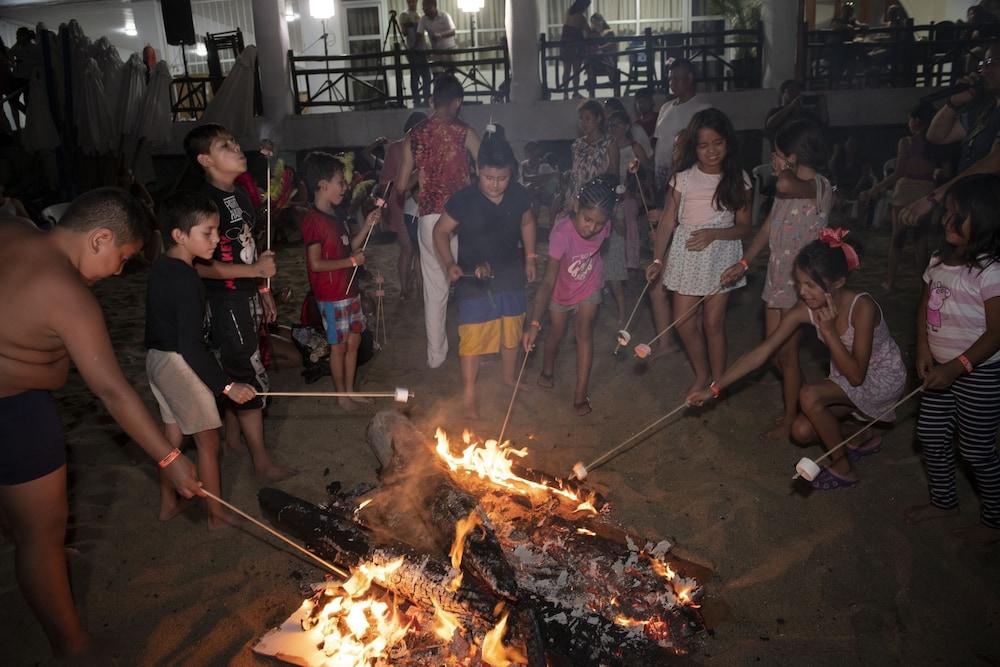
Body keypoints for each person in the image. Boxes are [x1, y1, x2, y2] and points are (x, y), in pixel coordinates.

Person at [0, 188, 201, 656]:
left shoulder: (11, 228)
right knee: (42, 532)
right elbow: (113, 392)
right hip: (14, 412)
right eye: (123, 257)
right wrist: (169, 457)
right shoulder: (69, 296)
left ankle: (41, 560)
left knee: (19, 514)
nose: (119, 271)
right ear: (99, 238)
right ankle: (71, 643)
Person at [689, 232, 906, 490]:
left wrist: (827, 331)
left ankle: (844, 466)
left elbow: (858, 376)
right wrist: (714, 387)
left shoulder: (862, 307)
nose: (803, 292)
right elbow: (762, 352)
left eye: (811, 285)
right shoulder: (805, 310)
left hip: (881, 378)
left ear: (837, 282)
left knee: (809, 396)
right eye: (799, 283)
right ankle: (862, 436)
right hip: (846, 378)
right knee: (801, 432)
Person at [183, 124, 295, 481]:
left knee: (240, 364)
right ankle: (261, 462)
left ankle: (233, 440)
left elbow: (250, 249)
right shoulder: (204, 203)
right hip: (225, 300)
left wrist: (263, 287)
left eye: (234, 142)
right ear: (205, 160)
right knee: (247, 374)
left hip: (245, 294)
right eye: (225, 145)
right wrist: (252, 274)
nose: (236, 148)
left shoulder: (243, 197)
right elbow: (199, 266)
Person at [145, 192, 257, 528]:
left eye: (217, 231)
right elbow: (191, 347)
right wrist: (226, 386)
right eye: (207, 232)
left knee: (172, 439)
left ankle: (167, 506)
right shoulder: (185, 278)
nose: (216, 239)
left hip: (156, 359)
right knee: (208, 440)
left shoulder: (163, 267)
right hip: (178, 362)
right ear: (179, 235)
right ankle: (216, 516)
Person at [722, 120, 832, 440]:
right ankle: (809, 400)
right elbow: (768, 227)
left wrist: (785, 168)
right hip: (777, 279)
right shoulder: (788, 188)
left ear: (795, 157)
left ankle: (792, 416)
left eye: (778, 154)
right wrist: (745, 261)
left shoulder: (820, 187)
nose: (773, 159)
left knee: (787, 353)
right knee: (779, 353)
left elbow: (784, 185)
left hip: (802, 286)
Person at [906, 174, 1000, 543]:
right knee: (930, 435)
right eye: (946, 213)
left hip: (979, 374)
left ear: (986, 218)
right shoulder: (938, 260)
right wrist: (924, 349)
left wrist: (958, 366)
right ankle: (944, 501)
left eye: (957, 215)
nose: (947, 221)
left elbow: (996, 334)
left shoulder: (991, 272)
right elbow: (924, 308)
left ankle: (994, 518)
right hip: (941, 372)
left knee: (976, 450)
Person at [646, 108, 752, 394]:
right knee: (682, 321)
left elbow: (745, 227)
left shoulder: (738, 179)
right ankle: (703, 373)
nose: (712, 151)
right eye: (704, 145)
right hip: (688, 256)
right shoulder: (683, 179)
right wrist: (657, 259)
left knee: (713, 322)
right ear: (695, 147)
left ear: (727, 142)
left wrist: (714, 234)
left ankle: (719, 381)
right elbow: (668, 221)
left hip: (721, 254)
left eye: (718, 142)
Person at [433, 133, 537, 418]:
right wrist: (448, 263)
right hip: (473, 278)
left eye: (502, 178)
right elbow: (440, 232)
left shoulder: (518, 194)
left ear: (511, 173)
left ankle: (508, 377)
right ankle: (469, 396)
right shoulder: (464, 199)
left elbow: (527, 223)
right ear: (478, 170)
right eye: (489, 178)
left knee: (511, 328)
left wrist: (530, 256)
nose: (495, 184)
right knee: (472, 336)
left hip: (509, 273)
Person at [396, 74, 480, 368]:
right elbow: (488, 171)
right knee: (473, 284)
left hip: (429, 219)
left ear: (433, 99)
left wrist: (426, 173)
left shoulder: (414, 135)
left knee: (435, 291)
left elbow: (400, 186)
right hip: (462, 219)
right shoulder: (464, 131)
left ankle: (436, 357)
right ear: (457, 102)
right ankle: (475, 349)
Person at [524, 175, 616, 416]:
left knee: (584, 333)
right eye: (587, 219)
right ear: (577, 207)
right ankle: (547, 370)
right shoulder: (561, 234)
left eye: (598, 223)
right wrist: (534, 321)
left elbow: (599, 241)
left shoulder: (605, 227)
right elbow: (547, 281)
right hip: (561, 287)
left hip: (589, 283)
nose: (592, 228)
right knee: (556, 331)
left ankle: (580, 394)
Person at [300, 152, 382, 411]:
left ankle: (351, 390)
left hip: (350, 290)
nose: (345, 187)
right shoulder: (313, 221)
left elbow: (350, 248)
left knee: (355, 342)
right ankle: (341, 394)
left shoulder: (338, 216)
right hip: (331, 295)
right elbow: (315, 264)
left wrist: (367, 226)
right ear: (322, 185)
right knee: (338, 348)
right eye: (340, 182)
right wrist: (350, 263)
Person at [901, 42, 1000, 226]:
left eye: (992, 63)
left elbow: (995, 160)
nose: (984, 71)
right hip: (974, 211)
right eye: (983, 64)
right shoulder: (986, 111)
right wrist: (954, 102)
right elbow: (937, 136)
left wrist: (937, 195)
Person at [860, 103, 940, 290]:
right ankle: (923, 284)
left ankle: (890, 280)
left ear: (917, 121)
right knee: (921, 241)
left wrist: (875, 189)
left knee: (898, 237)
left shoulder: (907, 142)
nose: (909, 122)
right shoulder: (936, 144)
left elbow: (898, 173)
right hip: (927, 190)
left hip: (906, 189)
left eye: (911, 118)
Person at [379, 111, 427, 298]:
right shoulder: (401, 148)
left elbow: (384, 181)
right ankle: (410, 288)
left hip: (404, 202)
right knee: (412, 248)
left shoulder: (398, 147)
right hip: (402, 202)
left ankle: (407, 288)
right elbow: (388, 182)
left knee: (411, 249)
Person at [652, 59, 711, 192]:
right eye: (670, 79)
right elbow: (659, 142)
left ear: (689, 78)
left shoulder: (701, 109)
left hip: (685, 175)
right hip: (661, 175)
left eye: (676, 79)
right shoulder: (665, 108)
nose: (672, 84)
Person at [565, 100, 619, 208]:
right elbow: (574, 174)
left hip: (597, 199)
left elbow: (613, 174)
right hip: (576, 197)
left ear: (598, 119)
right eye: (581, 118)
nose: (583, 123)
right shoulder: (577, 145)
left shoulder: (609, 143)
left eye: (587, 118)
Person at [399, 0, 432, 106]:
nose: (412, 4)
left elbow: (423, 32)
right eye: (410, 2)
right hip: (413, 49)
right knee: (415, 77)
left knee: (427, 76)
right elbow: (403, 33)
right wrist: (411, 24)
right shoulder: (404, 15)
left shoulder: (420, 15)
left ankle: (426, 99)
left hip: (422, 49)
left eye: (414, 2)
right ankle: (416, 101)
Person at [608, 109, 652, 182]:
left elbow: (647, 169)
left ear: (627, 127)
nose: (614, 128)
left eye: (618, 124)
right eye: (611, 125)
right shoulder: (607, 148)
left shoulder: (635, 147)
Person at [558, 0, 592, 95]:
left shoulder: (568, 14)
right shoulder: (581, 17)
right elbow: (588, 31)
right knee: (576, 70)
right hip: (576, 45)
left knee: (566, 70)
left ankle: (565, 92)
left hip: (565, 44)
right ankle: (575, 92)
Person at [419, 0, 457, 68]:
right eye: (423, 8)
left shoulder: (445, 15)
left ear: (434, 6)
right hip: (436, 51)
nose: (424, 10)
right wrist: (425, 48)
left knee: (450, 74)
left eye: (427, 8)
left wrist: (440, 35)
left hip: (449, 49)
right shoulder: (423, 19)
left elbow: (453, 31)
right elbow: (419, 34)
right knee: (437, 74)